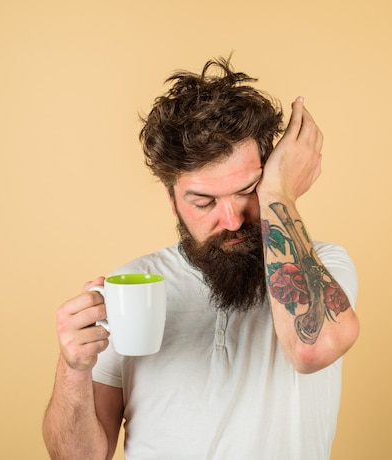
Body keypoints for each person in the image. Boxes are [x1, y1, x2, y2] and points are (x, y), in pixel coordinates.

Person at [42, 57, 360, 460]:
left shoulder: (323, 266)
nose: (230, 220)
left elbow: (314, 348)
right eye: (203, 201)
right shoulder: (132, 283)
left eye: (247, 190)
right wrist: (74, 368)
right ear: (172, 201)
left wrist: (279, 194)